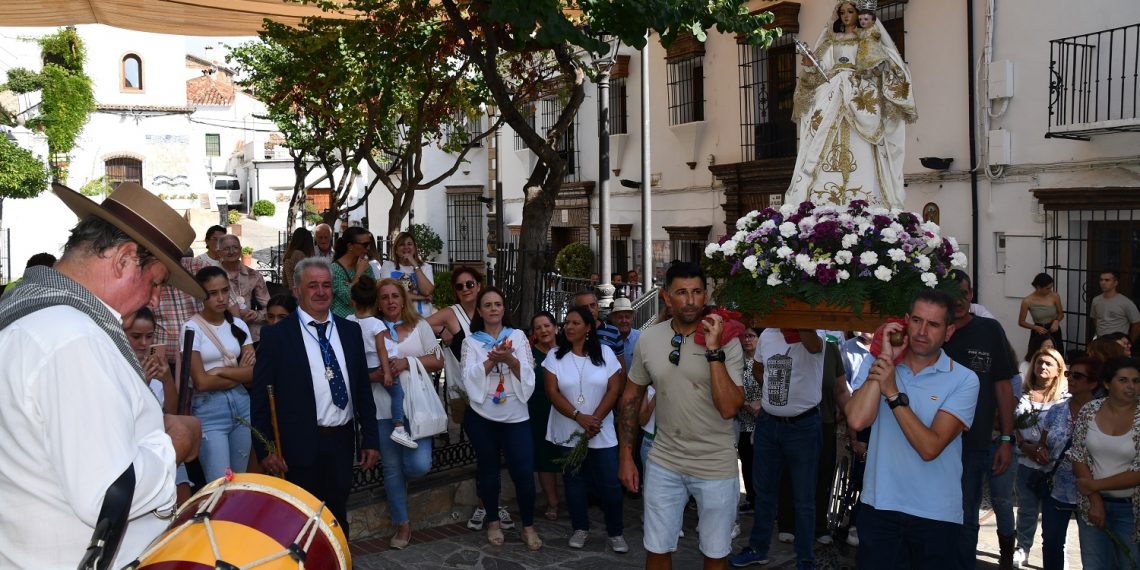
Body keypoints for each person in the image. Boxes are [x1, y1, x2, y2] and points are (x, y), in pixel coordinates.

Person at [0, 182, 202, 568]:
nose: (155, 299)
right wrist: (175, 441)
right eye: (156, 282)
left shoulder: (32, 315)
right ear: (125, 258)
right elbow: (107, 495)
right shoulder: (73, 338)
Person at [618, 262, 745, 570]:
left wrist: (713, 350)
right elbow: (631, 398)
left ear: (706, 295)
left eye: (697, 292)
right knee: (657, 548)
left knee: (715, 554)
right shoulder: (649, 339)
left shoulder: (727, 338)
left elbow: (730, 408)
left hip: (715, 464)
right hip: (664, 461)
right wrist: (625, 456)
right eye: (682, 293)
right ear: (666, 297)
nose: (691, 300)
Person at [844, 289, 980, 569]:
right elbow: (856, 420)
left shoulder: (964, 380)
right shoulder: (885, 367)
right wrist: (885, 358)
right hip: (880, 507)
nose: (922, 331)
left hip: (935, 515)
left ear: (949, 331)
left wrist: (893, 394)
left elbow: (930, 447)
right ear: (905, 321)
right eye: (916, 321)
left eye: (933, 324)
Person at [251, 257, 380, 533]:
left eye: (326, 285)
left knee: (336, 519)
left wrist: (370, 438)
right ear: (297, 291)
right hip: (298, 446)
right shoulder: (277, 337)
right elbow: (261, 397)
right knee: (300, 522)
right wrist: (265, 449)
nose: (321, 292)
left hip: (341, 442)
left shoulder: (350, 331)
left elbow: (362, 389)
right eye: (312, 286)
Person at [786, 0, 916, 208]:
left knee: (865, 140)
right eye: (842, 12)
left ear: (859, 14)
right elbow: (821, 71)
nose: (846, 16)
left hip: (859, 92)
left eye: (851, 11)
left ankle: (868, 199)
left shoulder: (869, 38)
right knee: (819, 136)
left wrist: (873, 68)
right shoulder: (831, 40)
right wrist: (811, 66)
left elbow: (886, 65)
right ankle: (818, 199)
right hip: (832, 90)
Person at [426, 267, 513, 530]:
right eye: (461, 286)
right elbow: (418, 325)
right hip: (465, 392)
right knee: (482, 450)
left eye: (470, 284)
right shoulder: (452, 313)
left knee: (494, 450)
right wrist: (441, 336)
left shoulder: (491, 308)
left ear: (479, 285)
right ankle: (486, 503)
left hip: (496, 391)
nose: (466, 289)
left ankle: (488, 504)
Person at [732, 327, 824, 568]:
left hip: (803, 426)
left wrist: (800, 320)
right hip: (768, 424)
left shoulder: (814, 331)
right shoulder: (769, 334)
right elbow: (758, 367)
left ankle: (805, 558)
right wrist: (775, 391)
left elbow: (814, 346)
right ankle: (758, 548)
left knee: (803, 498)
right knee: (764, 494)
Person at [943, 271, 1017, 568]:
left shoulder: (989, 330)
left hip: (975, 442)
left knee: (968, 518)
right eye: (950, 294)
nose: (957, 300)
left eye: (962, 293)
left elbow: (1003, 386)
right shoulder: (932, 333)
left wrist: (1007, 439)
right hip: (934, 443)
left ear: (971, 294)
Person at [460, 287, 542, 550]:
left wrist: (510, 359)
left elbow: (529, 373)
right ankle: (493, 522)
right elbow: (467, 377)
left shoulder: (517, 337)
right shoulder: (471, 342)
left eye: (498, 304)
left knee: (523, 473)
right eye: (488, 305)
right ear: (480, 311)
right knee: (488, 472)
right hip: (483, 416)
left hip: (515, 415)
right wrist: (490, 361)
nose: (493, 308)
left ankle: (528, 526)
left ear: (504, 309)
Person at [544, 306, 627, 552]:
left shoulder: (606, 353)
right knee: (574, 482)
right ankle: (580, 527)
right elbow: (552, 392)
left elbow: (615, 388)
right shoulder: (555, 355)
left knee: (610, 483)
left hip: (601, 431)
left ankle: (616, 532)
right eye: (566, 322)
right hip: (569, 430)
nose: (568, 327)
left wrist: (596, 420)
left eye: (575, 323)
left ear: (589, 327)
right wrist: (579, 417)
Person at [374, 277, 444, 548]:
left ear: (403, 299)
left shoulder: (421, 326)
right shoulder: (372, 329)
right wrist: (378, 374)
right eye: (385, 297)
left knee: (418, 465)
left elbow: (437, 359)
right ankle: (402, 525)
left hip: (418, 408)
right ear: (378, 304)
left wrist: (407, 362)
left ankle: (400, 485)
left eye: (395, 296)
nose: (391, 301)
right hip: (382, 409)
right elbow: (361, 369)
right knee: (391, 470)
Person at [183, 265, 256, 482]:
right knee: (219, 483)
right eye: (213, 293)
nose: (221, 298)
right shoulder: (191, 328)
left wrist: (222, 370)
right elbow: (201, 382)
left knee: (239, 479)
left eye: (225, 291)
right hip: (209, 408)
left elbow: (254, 374)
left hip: (242, 405)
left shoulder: (239, 324)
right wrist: (238, 373)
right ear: (201, 295)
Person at [1068, 357, 1140, 568]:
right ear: (1107, 384)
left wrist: (1094, 485)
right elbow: (1078, 455)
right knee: (1094, 565)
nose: (1131, 387)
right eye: (1124, 380)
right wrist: (1095, 499)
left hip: (1131, 510)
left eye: (1136, 381)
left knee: (1129, 564)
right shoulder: (1090, 410)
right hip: (1091, 504)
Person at [1037, 357, 1102, 570]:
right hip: (1056, 489)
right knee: (1053, 544)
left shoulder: (1102, 413)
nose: (1070, 379)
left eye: (1078, 376)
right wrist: (1041, 452)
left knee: (1092, 551)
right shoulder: (1056, 411)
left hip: (1093, 491)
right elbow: (1042, 444)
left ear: (1093, 383)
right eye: (1069, 374)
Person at [1013, 347, 1069, 567]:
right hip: (1024, 460)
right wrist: (1025, 446)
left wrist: (1044, 450)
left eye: (1048, 364)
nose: (1042, 367)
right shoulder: (1022, 392)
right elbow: (1010, 423)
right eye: (1039, 362)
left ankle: (1055, 556)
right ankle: (1022, 547)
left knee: (1052, 516)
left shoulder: (1065, 399)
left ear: (1058, 370)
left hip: (1053, 466)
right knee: (1026, 509)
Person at [347, 276, 412, 448]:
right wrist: (387, 372)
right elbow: (381, 350)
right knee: (398, 394)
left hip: (361, 367)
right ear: (376, 302)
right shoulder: (376, 324)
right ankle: (399, 427)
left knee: (362, 400)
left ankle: (361, 429)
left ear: (352, 301)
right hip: (377, 365)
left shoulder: (348, 320)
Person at [529, 311, 562, 521]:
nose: (543, 330)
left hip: (567, 410)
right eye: (538, 328)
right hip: (539, 411)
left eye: (547, 326)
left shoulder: (567, 352)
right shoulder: (529, 355)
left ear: (555, 328)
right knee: (545, 459)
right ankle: (553, 502)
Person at [217, 234, 269, 343]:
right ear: (219, 252)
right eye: (226, 249)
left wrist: (256, 315)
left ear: (240, 250)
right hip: (222, 333)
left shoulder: (253, 275)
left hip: (251, 334)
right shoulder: (214, 276)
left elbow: (269, 306)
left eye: (235, 247)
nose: (231, 251)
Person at [125, 306, 176, 413]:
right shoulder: (117, 364)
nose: (144, 343)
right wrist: (143, 383)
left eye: (149, 336)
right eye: (136, 336)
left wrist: (168, 380)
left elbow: (172, 412)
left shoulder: (156, 365)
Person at [378, 231, 435, 317]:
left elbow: (427, 291)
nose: (406, 247)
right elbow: (391, 294)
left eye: (409, 244)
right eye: (402, 244)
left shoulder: (425, 267)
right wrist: (421, 297)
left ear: (415, 248)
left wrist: (415, 265)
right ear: (396, 250)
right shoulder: (388, 266)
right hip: (398, 318)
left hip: (423, 317)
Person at [736, 327, 762, 513]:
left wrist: (760, 405)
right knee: (747, 461)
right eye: (744, 336)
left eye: (751, 336)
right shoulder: (737, 362)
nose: (747, 340)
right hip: (744, 421)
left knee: (763, 464)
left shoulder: (764, 361)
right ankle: (752, 499)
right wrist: (746, 405)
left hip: (763, 421)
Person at [330, 227, 377, 318]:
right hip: (342, 322)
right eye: (365, 244)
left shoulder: (365, 266)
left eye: (369, 244)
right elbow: (348, 297)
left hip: (364, 321)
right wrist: (358, 274)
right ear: (350, 246)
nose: (368, 248)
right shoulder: (334, 269)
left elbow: (373, 294)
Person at [574, 290, 625, 368]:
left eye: (592, 305)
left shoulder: (613, 331)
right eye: (584, 307)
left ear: (598, 307)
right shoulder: (571, 333)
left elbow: (621, 366)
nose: (590, 310)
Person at [1019, 272, 1066, 355]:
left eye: (1051, 288)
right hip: (1038, 330)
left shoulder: (1054, 296)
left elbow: (1061, 314)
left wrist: (1056, 321)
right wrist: (1035, 327)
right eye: (1047, 288)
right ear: (1038, 287)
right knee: (1037, 355)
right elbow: (1021, 322)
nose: (1050, 290)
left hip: (1053, 329)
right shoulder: (1027, 301)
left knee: (1056, 354)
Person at [1090, 270, 1140, 344]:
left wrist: (1129, 342)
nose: (1103, 283)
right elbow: (1095, 319)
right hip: (1101, 342)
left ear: (1115, 283)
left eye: (1107, 280)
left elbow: (1137, 324)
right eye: (1101, 280)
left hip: (1118, 343)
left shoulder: (1126, 302)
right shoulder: (1096, 300)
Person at [609, 296, 641, 368]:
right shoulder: (608, 339)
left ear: (632, 319)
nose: (624, 321)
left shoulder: (641, 338)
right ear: (613, 319)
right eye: (620, 317)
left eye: (627, 317)